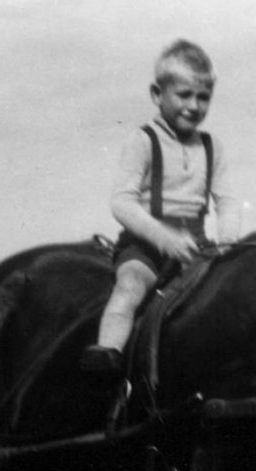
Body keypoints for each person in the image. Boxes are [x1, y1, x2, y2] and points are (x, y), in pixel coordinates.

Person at [80, 39, 242, 375]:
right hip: (147, 246)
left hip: (197, 248)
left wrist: (227, 241)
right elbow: (122, 202)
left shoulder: (213, 147)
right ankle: (107, 356)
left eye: (203, 97)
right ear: (158, 94)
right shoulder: (143, 141)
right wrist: (163, 237)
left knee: (231, 300)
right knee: (130, 288)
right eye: (184, 95)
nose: (194, 106)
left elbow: (227, 201)